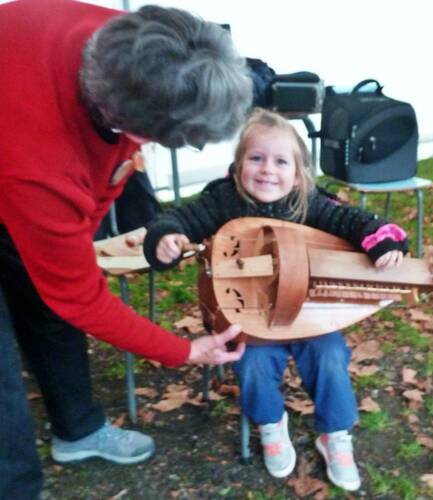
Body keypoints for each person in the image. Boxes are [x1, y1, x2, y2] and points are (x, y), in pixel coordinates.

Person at [0, 0, 253, 498]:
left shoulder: (138, 40)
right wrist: (183, 351)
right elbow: (80, 297)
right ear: (126, 119)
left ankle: (78, 431)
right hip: (16, 153)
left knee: (45, 304)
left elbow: (113, 164)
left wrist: (79, 235)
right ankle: (16, 486)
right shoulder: (40, 165)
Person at [143, 108, 409, 492]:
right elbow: (176, 220)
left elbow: (356, 222)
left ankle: (334, 434)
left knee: (330, 355)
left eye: (281, 162)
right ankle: (271, 423)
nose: (268, 170)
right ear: (238, 166)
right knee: (251, 363)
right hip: (248, 314)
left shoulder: (308, 203)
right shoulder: (223, 201)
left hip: (305, 312)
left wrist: (384, 240)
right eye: (256, 158)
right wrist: (166, 237)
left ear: (298, 174)